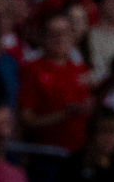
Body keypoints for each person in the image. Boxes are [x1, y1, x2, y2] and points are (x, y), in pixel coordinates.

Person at [20, 11, 95, 152]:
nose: (60, 39)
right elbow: (25, 120)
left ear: (72, 36)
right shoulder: (32, 70)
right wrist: (65, 114)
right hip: (45, 152)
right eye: (53, 34)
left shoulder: (80, 70)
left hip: (78, 153)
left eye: (65, 33)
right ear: (43, 37)